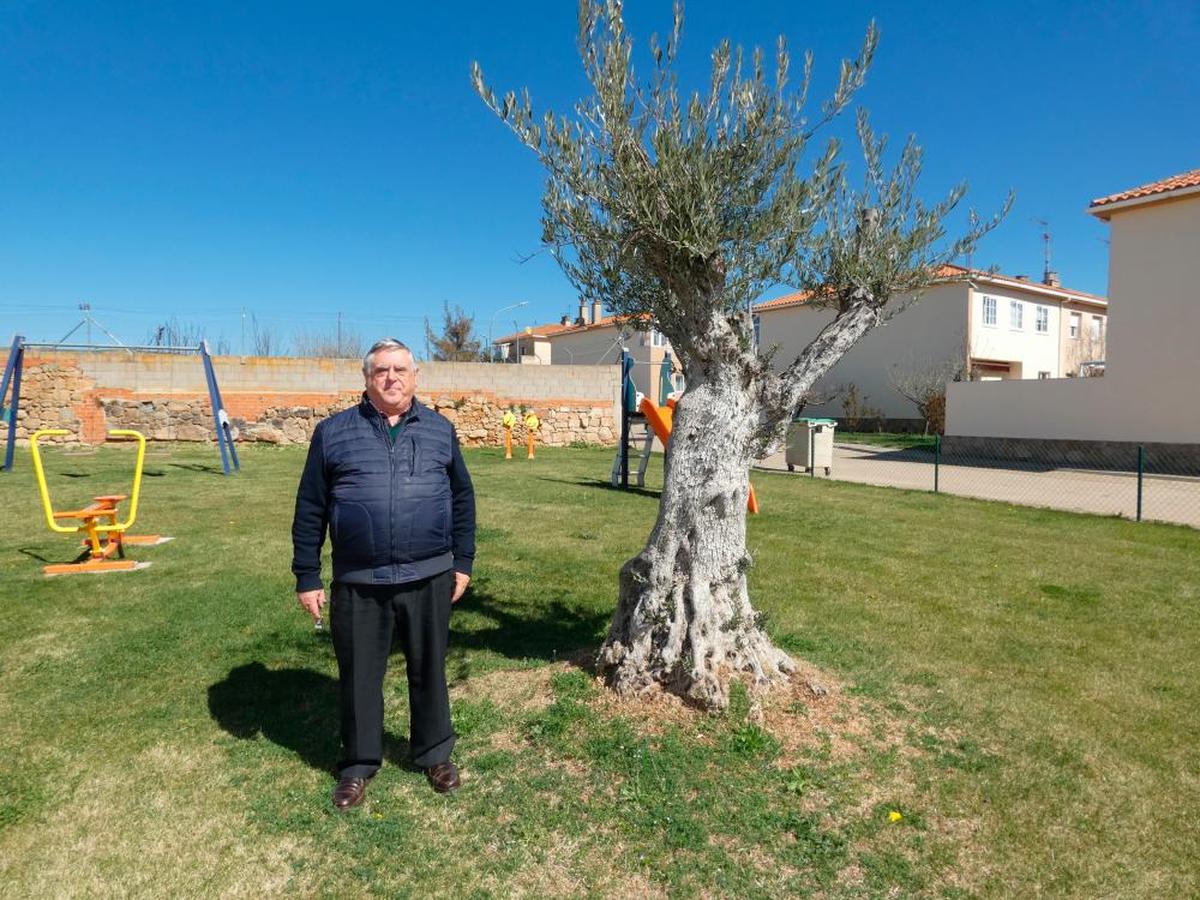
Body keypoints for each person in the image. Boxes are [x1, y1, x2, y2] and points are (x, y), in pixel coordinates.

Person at [291, 338, 475, 810]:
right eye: (381, 371)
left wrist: (463, 562)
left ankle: (435, 754)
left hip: (430, 574)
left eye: (400, 370)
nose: (391, 378)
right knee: (358, 676)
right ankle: (357, 764)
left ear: (415, 376)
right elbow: (311, 506)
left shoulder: (440, 430)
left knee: (429, 669)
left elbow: (461, 499)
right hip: (359, 581)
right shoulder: (333, 433)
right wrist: (307, 574)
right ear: (367, 379)